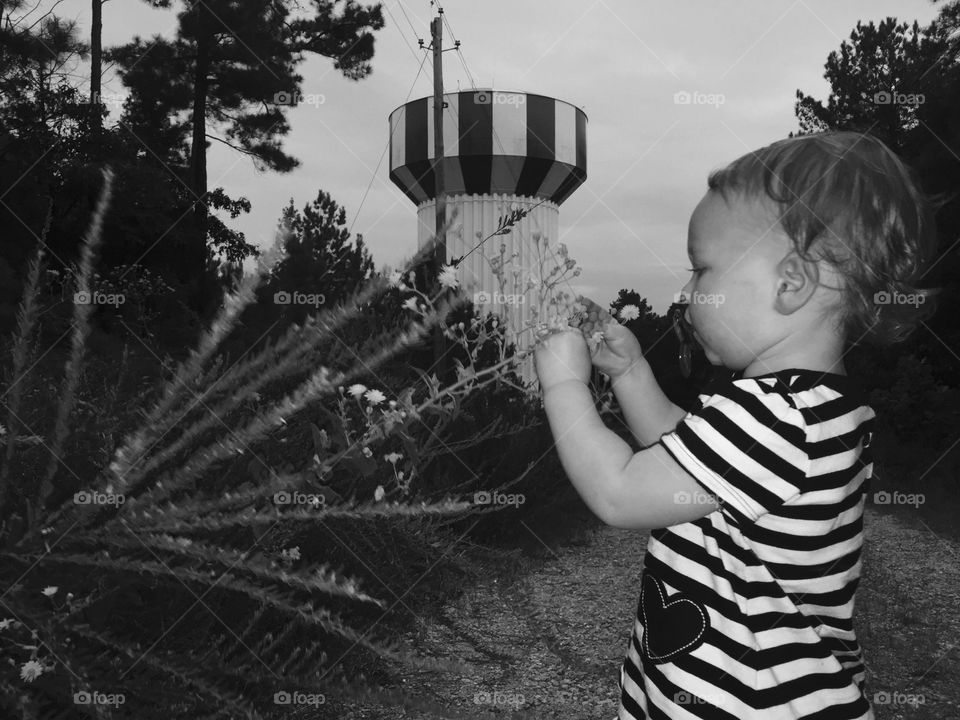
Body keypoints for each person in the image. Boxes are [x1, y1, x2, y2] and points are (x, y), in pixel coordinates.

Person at [534, 130, 941, 719]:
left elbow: (620, 492)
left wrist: (562, 384)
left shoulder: (778, 416)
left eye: (701, 270)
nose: (686, 291)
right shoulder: (810, 408)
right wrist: (631, 372)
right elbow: (686, 455)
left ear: (790, 283)